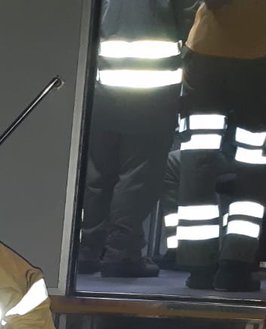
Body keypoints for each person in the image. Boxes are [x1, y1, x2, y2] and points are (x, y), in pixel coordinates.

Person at [173, 0, 266, 291]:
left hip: (207, 52)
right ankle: (235, 265)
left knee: (198, 158)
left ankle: (199, 267)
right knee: (254, 161)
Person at [78, 0, 194, 279]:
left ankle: (87, 251)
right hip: (152, 93)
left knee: (98, 174)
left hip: (102, 85)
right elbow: (193, 26)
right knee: (137, 176)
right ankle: (122, 253)